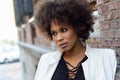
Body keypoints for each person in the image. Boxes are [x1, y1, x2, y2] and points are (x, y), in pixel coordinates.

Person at [34, 0, 117, 80]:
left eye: (63, 30)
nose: (59, 38)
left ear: (78, 27)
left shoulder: (104, 58)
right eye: (54, 33)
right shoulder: (46, 61)